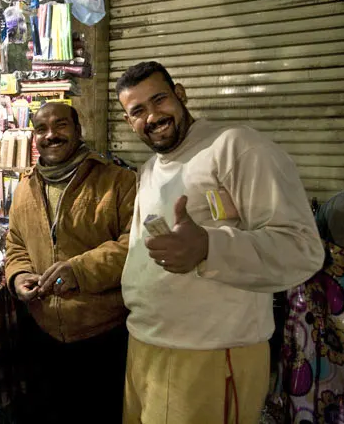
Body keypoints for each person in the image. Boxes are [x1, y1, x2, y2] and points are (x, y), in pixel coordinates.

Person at [115, 61, 325, 423]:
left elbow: (301, 248)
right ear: (128, 122)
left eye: (159, 100)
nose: (152, 116)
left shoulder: (235, 147)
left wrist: (209, 247)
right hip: (144, 346)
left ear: (180, 94)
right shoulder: (149, 169)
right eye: (138, 111)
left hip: (210, 354)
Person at [4, 102, 136, 423]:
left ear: (78, 131)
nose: (51, 135)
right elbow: (16, 243)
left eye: (61, 126)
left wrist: (79, 270)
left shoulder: (119, 181)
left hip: (102, 334)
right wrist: (19, 274)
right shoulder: (24, 187)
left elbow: (136, 245)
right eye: (42, 129)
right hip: (43, 330)